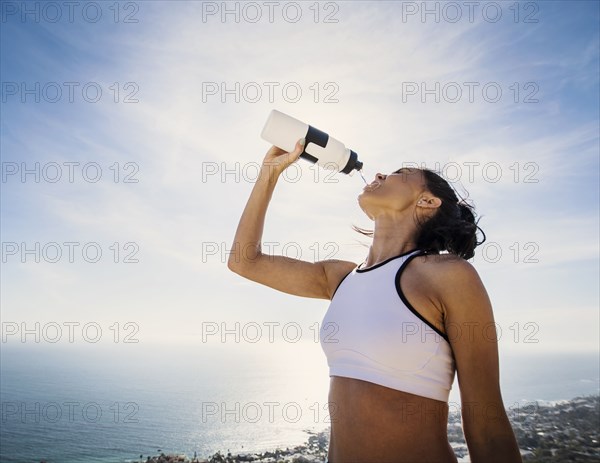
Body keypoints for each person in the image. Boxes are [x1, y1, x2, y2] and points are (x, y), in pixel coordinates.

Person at [228, 139, 522, 463]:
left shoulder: (451, 276)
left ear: (427, 200)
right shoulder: (340, 277)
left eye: (400, 173)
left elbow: (487, 424)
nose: (381, 173)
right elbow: (245, 261)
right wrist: (269, 174)